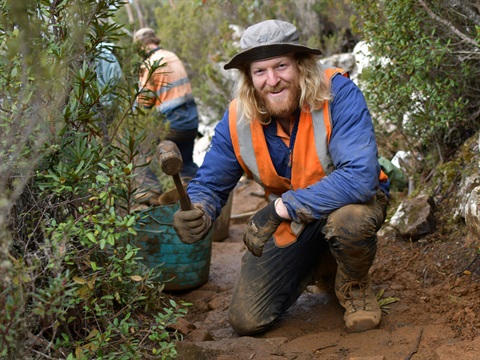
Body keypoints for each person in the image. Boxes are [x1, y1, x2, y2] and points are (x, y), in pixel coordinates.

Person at [172, 19, 390, 335]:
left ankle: (354, 282)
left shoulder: (338, 93)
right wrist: (201, 210)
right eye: (260, 71)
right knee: (247, 320)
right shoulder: (237, 118)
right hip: (297, 222)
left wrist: (278, 209)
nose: (272, 80)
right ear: (248, 77)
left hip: (347, 205)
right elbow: (211, 181)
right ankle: (324, 265)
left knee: (350, 221)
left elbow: (360, 177)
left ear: (301, 66)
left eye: (281, 66)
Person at [133, 27, 200, 182]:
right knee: (187, 164)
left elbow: (145, 102)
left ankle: (151, 193)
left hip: (173, 126)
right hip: (191, 123)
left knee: (137, 149)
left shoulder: (149, 64)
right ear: (154, 40)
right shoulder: (172, 55)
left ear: (140, 46)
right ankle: (200, 194)